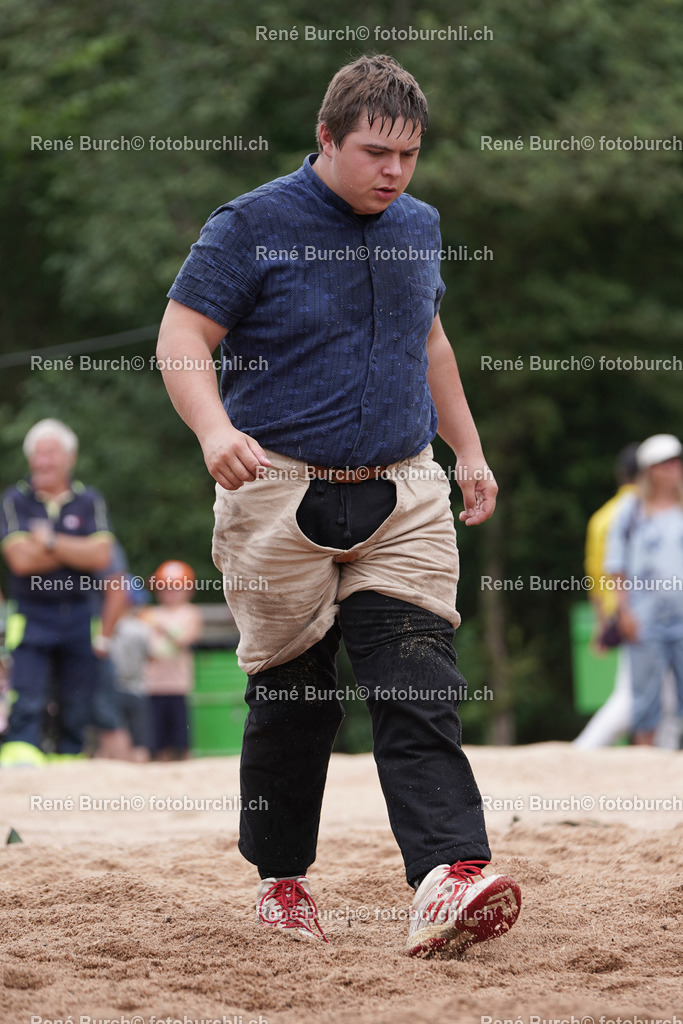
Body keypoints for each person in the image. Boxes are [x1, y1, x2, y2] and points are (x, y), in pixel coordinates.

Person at [157, 54, 521, 956]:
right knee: (295, 696)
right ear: (325, 139)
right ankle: (282, 881)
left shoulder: (420, 226)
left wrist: (465, 450)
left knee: (416, 676)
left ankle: (449, 875)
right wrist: (211, 432)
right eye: (373, 153)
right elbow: (182, 334)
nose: (392, 172)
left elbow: (429, 341)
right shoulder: (250, 223)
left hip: (401, 491)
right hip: (275, 492)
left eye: (408, 155)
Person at [0, 419, 112, 763]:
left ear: (70, 458)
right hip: (31, 616)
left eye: (51, 454)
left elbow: (101, 555)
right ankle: (21, 764)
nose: (44, 462)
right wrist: (75, 551)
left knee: (77, 702)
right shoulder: (14, 500)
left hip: (80, 615)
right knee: (28, 697)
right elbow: (20, 561)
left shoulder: (90, 500)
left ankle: (70, 766)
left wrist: (48, 541)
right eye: (38, 455)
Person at [574, 443, 679, 749]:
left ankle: (663, 755)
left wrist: (602, 622)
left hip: (620, 612)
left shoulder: (602, 516)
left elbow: (595, 575)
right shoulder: (645, 510)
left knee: (656, 693)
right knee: (637, 697)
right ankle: (584, 750)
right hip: (644, 612)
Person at [604, 433, 683, 746]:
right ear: (650, 469)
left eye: (677, 461)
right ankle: (643, 769)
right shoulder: (630, 511)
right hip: (644, 616)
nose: (674, 468)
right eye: (666, 463)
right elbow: (615, 566)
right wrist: (623, 612)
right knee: (645, 699)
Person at [140, 560, 202, 760]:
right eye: (165, 587)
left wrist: (163, 629)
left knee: (181, 736)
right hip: (153, 685)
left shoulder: (190, 613)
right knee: (158, 738)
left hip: (178, 685)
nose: (170, 593)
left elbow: (186, 640)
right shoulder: (150, 614)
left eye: (176, 587)